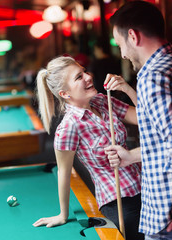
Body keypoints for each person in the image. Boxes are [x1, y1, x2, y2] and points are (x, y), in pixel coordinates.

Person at [104, 1, 172, 239]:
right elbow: (169, 141)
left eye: (120, 44)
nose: (123, 54)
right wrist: (131, 156)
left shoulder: (152, 77)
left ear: (133, 36)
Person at [33, 56, 144, 240]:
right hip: (119, 203)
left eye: (84, 71)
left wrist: (127, 88)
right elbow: (63, 171)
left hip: (146, 187)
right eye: (78, 77)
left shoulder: (102, 100)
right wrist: (63, 214)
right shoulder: (68, 127)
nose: (88, 76)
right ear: (65, 94)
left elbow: (146, 118)